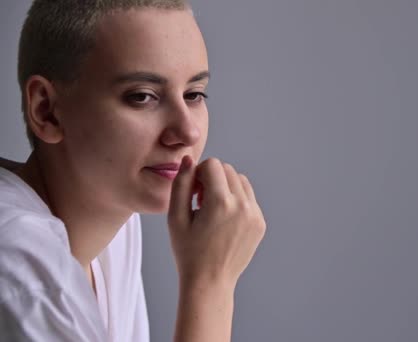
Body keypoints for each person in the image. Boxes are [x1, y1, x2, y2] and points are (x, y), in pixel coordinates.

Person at [0, 1, 267, 341]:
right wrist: (211, 282)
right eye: (142, 97)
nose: (188, 132)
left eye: (194, 94)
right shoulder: (21, 271)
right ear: (47, 110)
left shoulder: (116, 228)